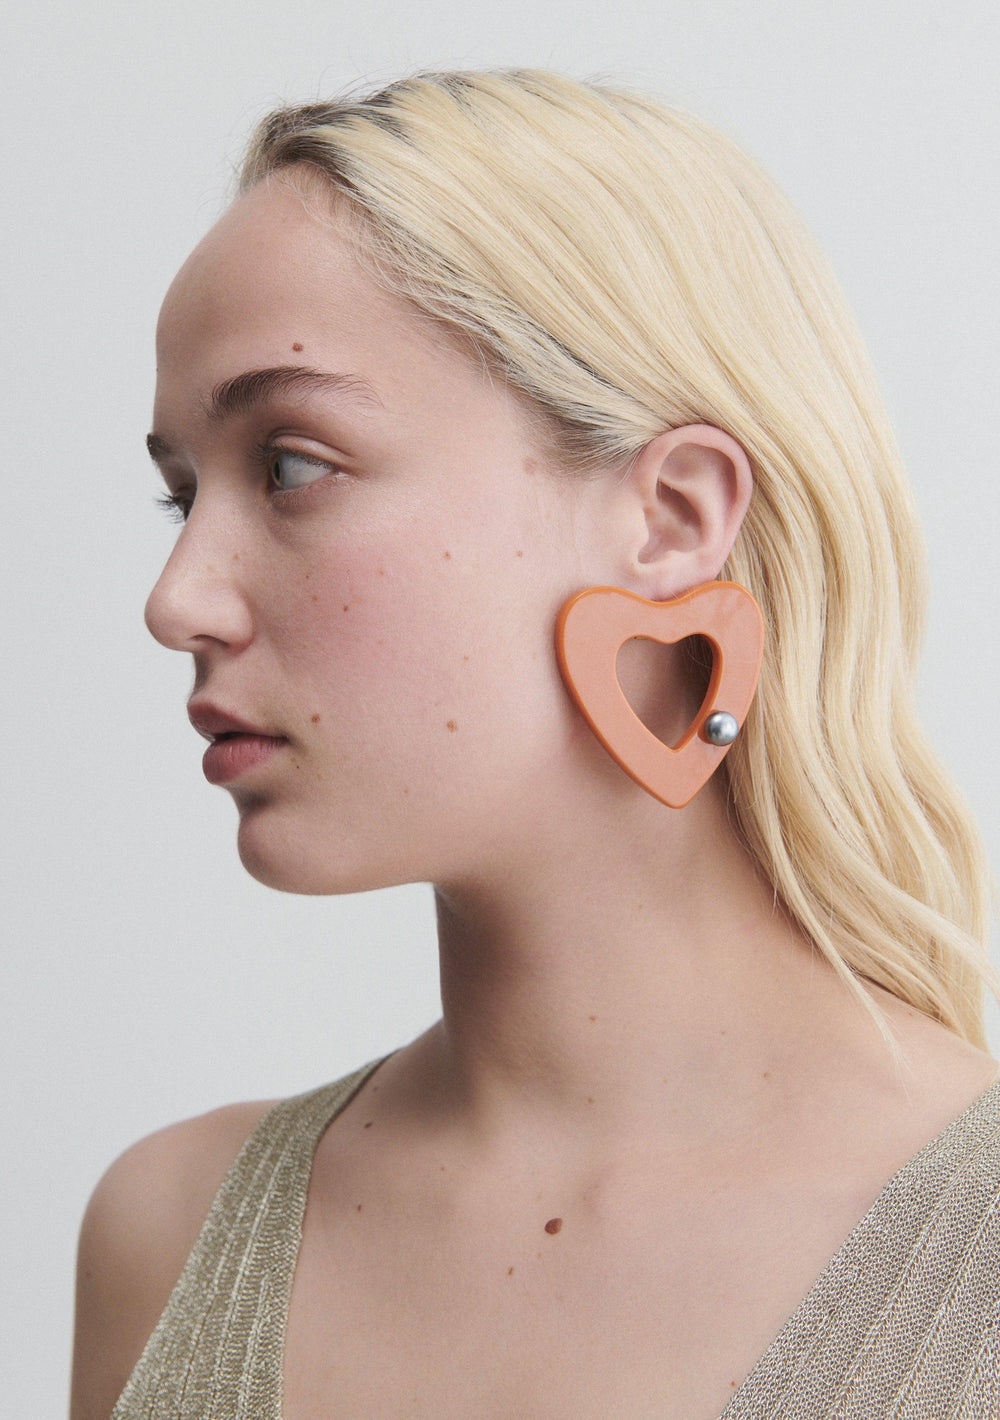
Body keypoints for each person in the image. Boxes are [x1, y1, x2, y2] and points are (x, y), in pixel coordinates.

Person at [70, 69, 1000, 1420]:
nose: (178, 601)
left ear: (672, 518)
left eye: (291, 465)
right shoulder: (167, 1237)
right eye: (181, 495)